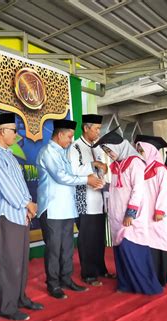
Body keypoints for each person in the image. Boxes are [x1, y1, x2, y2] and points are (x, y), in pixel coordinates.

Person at [0, 112, 44, 321]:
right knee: (9, 263)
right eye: (13, 131)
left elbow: (20, 185)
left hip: (19, 215)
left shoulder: (8, 154)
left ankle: (20, 298)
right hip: (6, 216)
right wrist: (28, 204)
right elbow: (7, 188)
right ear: (1, 132)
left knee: (20, 261)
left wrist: (27, 207)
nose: (16, 135)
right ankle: (7, 307)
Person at [94, 128, 162, 295]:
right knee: (120, 251)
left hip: (130, 216)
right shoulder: (116, 165)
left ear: (119, 147)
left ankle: (145, 286)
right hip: (116, 215)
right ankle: (125, 284)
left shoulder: (135, 163)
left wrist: (130, 213)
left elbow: (138, 190)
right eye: (106, 152)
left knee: (132, 248)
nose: (109, 154)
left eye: (110, 150)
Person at [37, 119, 99, 299]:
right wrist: (87, 179)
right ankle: (53, 284)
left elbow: (71, 173)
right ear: (60, 134)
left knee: (67, 248)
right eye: (70, 136)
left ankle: (66, 279)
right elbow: (61, 177)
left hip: (66, 208)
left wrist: (89, 171)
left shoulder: (62, 152)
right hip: (53, 208)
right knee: (54, 248)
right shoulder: (48, 152)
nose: (71, 140)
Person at [68, 114, 113, 286]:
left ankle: (101, 269)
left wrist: (104, 168)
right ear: (86, 128)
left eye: (99, 129)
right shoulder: (76, 147)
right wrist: (93, 165)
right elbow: (74, 170)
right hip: (84, 199)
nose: (98, 132)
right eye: (96, 129)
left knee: (99, 237)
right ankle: (88, 273)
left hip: (99, 199)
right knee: (87, 238)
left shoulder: (98, 148)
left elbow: (102, 168)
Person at [135, 135, 167, 287]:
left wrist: (159, 210)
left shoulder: (160, 169)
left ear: (150, 150)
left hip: (156, 212)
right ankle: (146, 275)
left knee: (157, 241)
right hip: (143, 212)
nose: (139, 153)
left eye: (141, 150)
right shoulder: (139, 168)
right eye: (138, 150)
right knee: (145, 241)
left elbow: (164, 191)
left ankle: (159, 276)